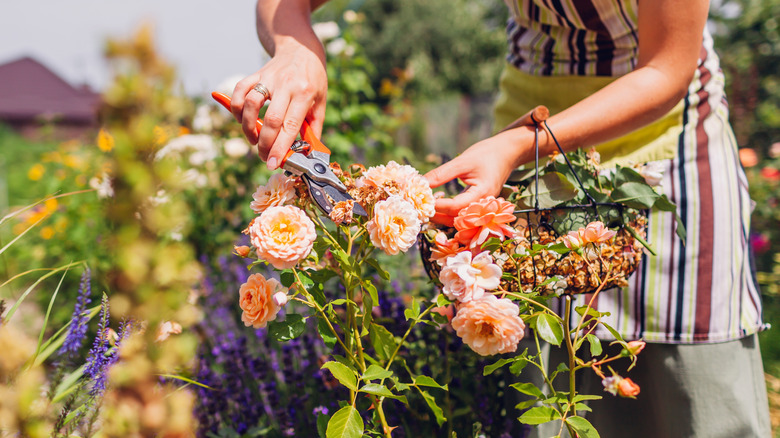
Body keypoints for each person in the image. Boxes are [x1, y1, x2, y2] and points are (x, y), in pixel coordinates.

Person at [230, 1, 771, 436]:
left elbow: (669, 66)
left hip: (664, 153)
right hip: (524, 156)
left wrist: (519, 143)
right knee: (548, 386)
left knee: (700, 398)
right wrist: (296, 49)